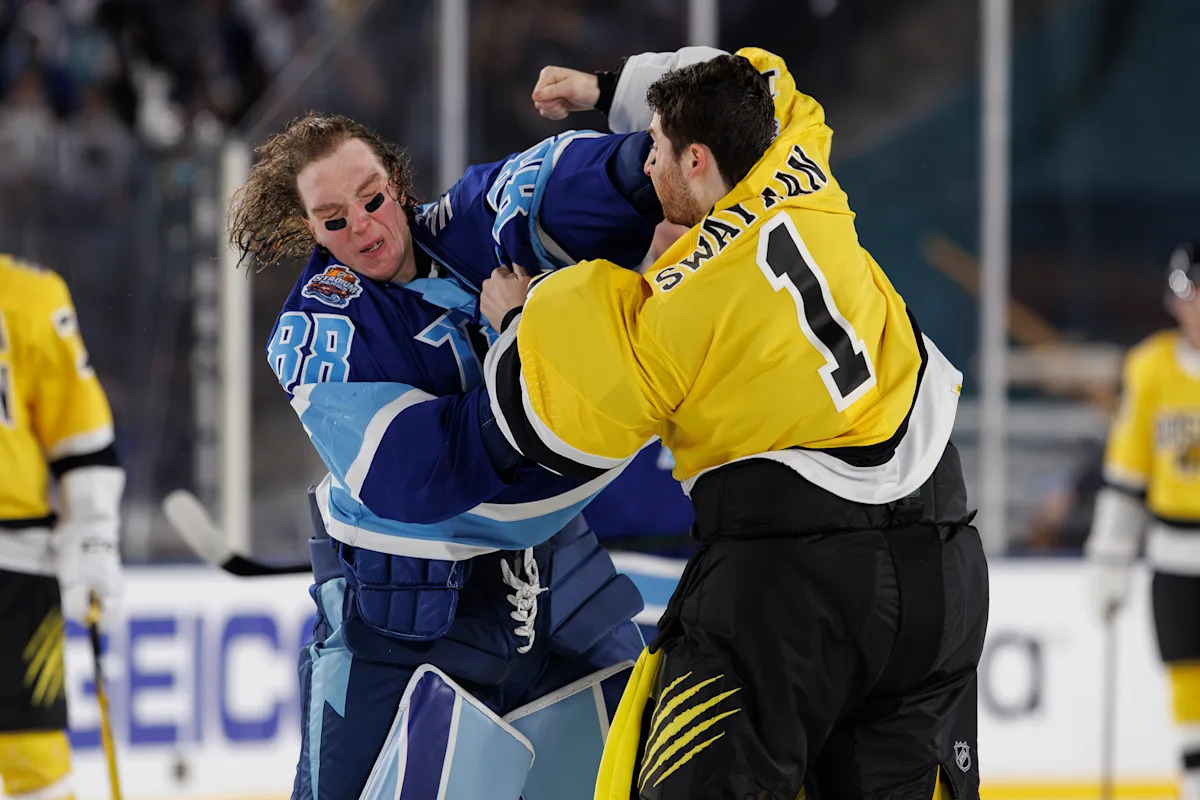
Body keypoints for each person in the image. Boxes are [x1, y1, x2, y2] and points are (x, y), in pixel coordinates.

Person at [481, 47, 989, 799]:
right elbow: (756, 73)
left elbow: (550, 415)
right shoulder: (800, 155)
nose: (644, 167)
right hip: (945, 560)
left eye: (654, 150)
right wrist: (610, 89)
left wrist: (519, 321)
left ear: (694, 159)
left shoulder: (679, 310)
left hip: (791, 587)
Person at [228, 112, 668, 799]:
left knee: (647, 773)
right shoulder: (315, 331)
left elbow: (557, 184)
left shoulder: (466, 222)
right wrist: (525, 345)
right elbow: (425, 472)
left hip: (555, 580)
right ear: (310, 229)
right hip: (403, 608)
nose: (364, 229)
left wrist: (653, 159)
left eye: (372, 200)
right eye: (335, 220)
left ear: (399, 185)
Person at [0, 255, 124, 800]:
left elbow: (80, 433)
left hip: (16, 564)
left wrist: (94, 539)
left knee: (34, 759)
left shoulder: (27, 296)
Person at [1086, 241, 1200, 800]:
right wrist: (1110, 557)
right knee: (1185, 677)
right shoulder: (1149, 368)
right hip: (1174, 555)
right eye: (1190, 294)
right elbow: (1126, 475)